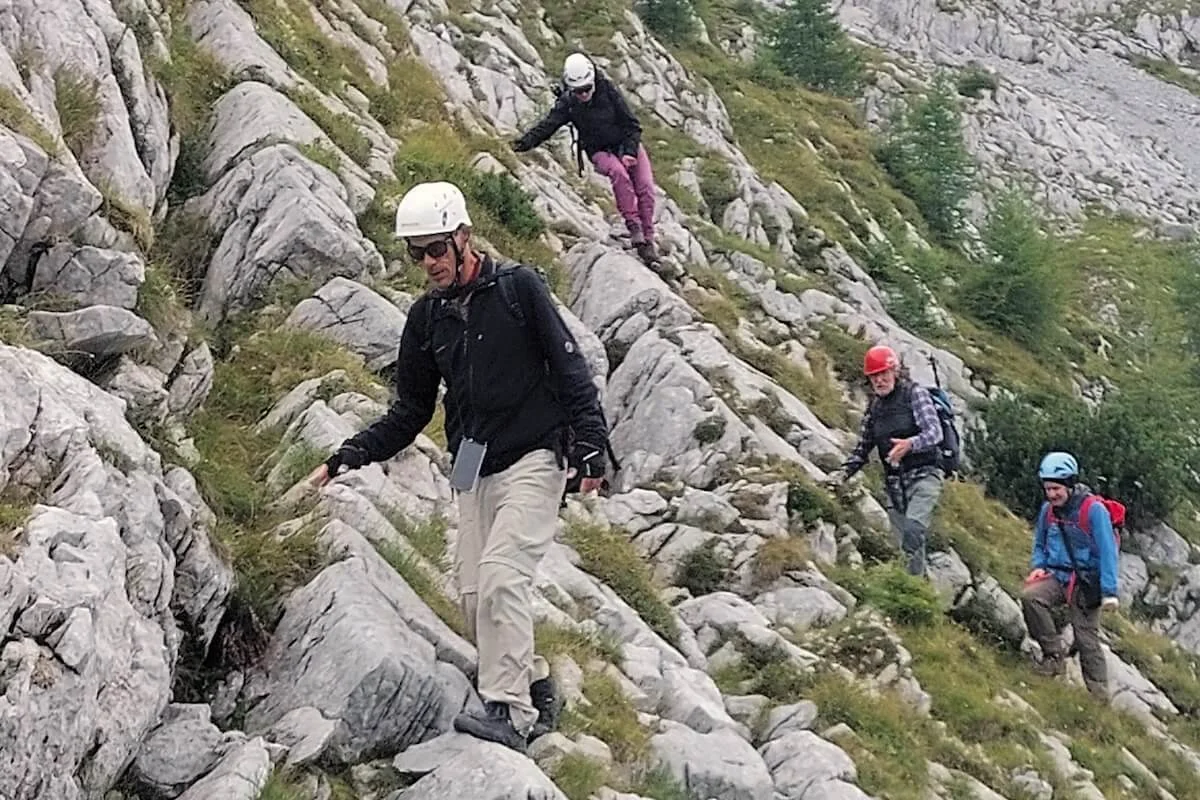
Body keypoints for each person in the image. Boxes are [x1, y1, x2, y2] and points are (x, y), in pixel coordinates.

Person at [308, 180, 611, 752]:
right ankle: (538, 683)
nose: (427, 263)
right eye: (415, 253)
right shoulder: (426, 320)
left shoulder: (519, 289)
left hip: (537, 455)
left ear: (464, 237)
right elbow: (411, 410)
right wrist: (349, 454)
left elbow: (571, 369)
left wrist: (592, 443)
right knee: (474, 599)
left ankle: (511, 714)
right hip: (474, 465)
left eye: (436, 249)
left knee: (501, 579)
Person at [511, 52, 660, 266]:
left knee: (645, 187)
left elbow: (632, 124)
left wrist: (629, 151)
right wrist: (523, 144)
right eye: (578, 91)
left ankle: (648, 241)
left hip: (627, 143)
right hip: (599, 150)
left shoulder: (607, 90)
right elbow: (548, 126)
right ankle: (633, 226)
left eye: (587, 89)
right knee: (618, 174)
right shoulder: (569, 104)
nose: (583, 94)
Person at [824, 344, 945, 577]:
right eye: (874, 376)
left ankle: (914, 590)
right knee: (906, 547)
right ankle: (917, 595)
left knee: (914, 529)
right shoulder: (874, 409)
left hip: (925, 475)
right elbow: (862, 449)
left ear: (894, 372)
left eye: (883, 373)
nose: (879, 380)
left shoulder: (915, 394)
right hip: (895, 485)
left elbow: (934, 432)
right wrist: (841, 474)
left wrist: (909, 444)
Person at [1021, 451, 1120, 699]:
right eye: (1048, 488)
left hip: (1086, 582)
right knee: (1031, 598)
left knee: (1086, 638)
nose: (1052, 494)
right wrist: (1038, 566)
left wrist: (1109, 592)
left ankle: (1098, 696)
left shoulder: (1094, 510)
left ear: (1069, 484)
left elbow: (1108, 552)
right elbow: (1040, 544)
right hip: (1057, 575)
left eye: (1056, 488)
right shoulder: (1048, 511)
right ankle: (1054, 656)